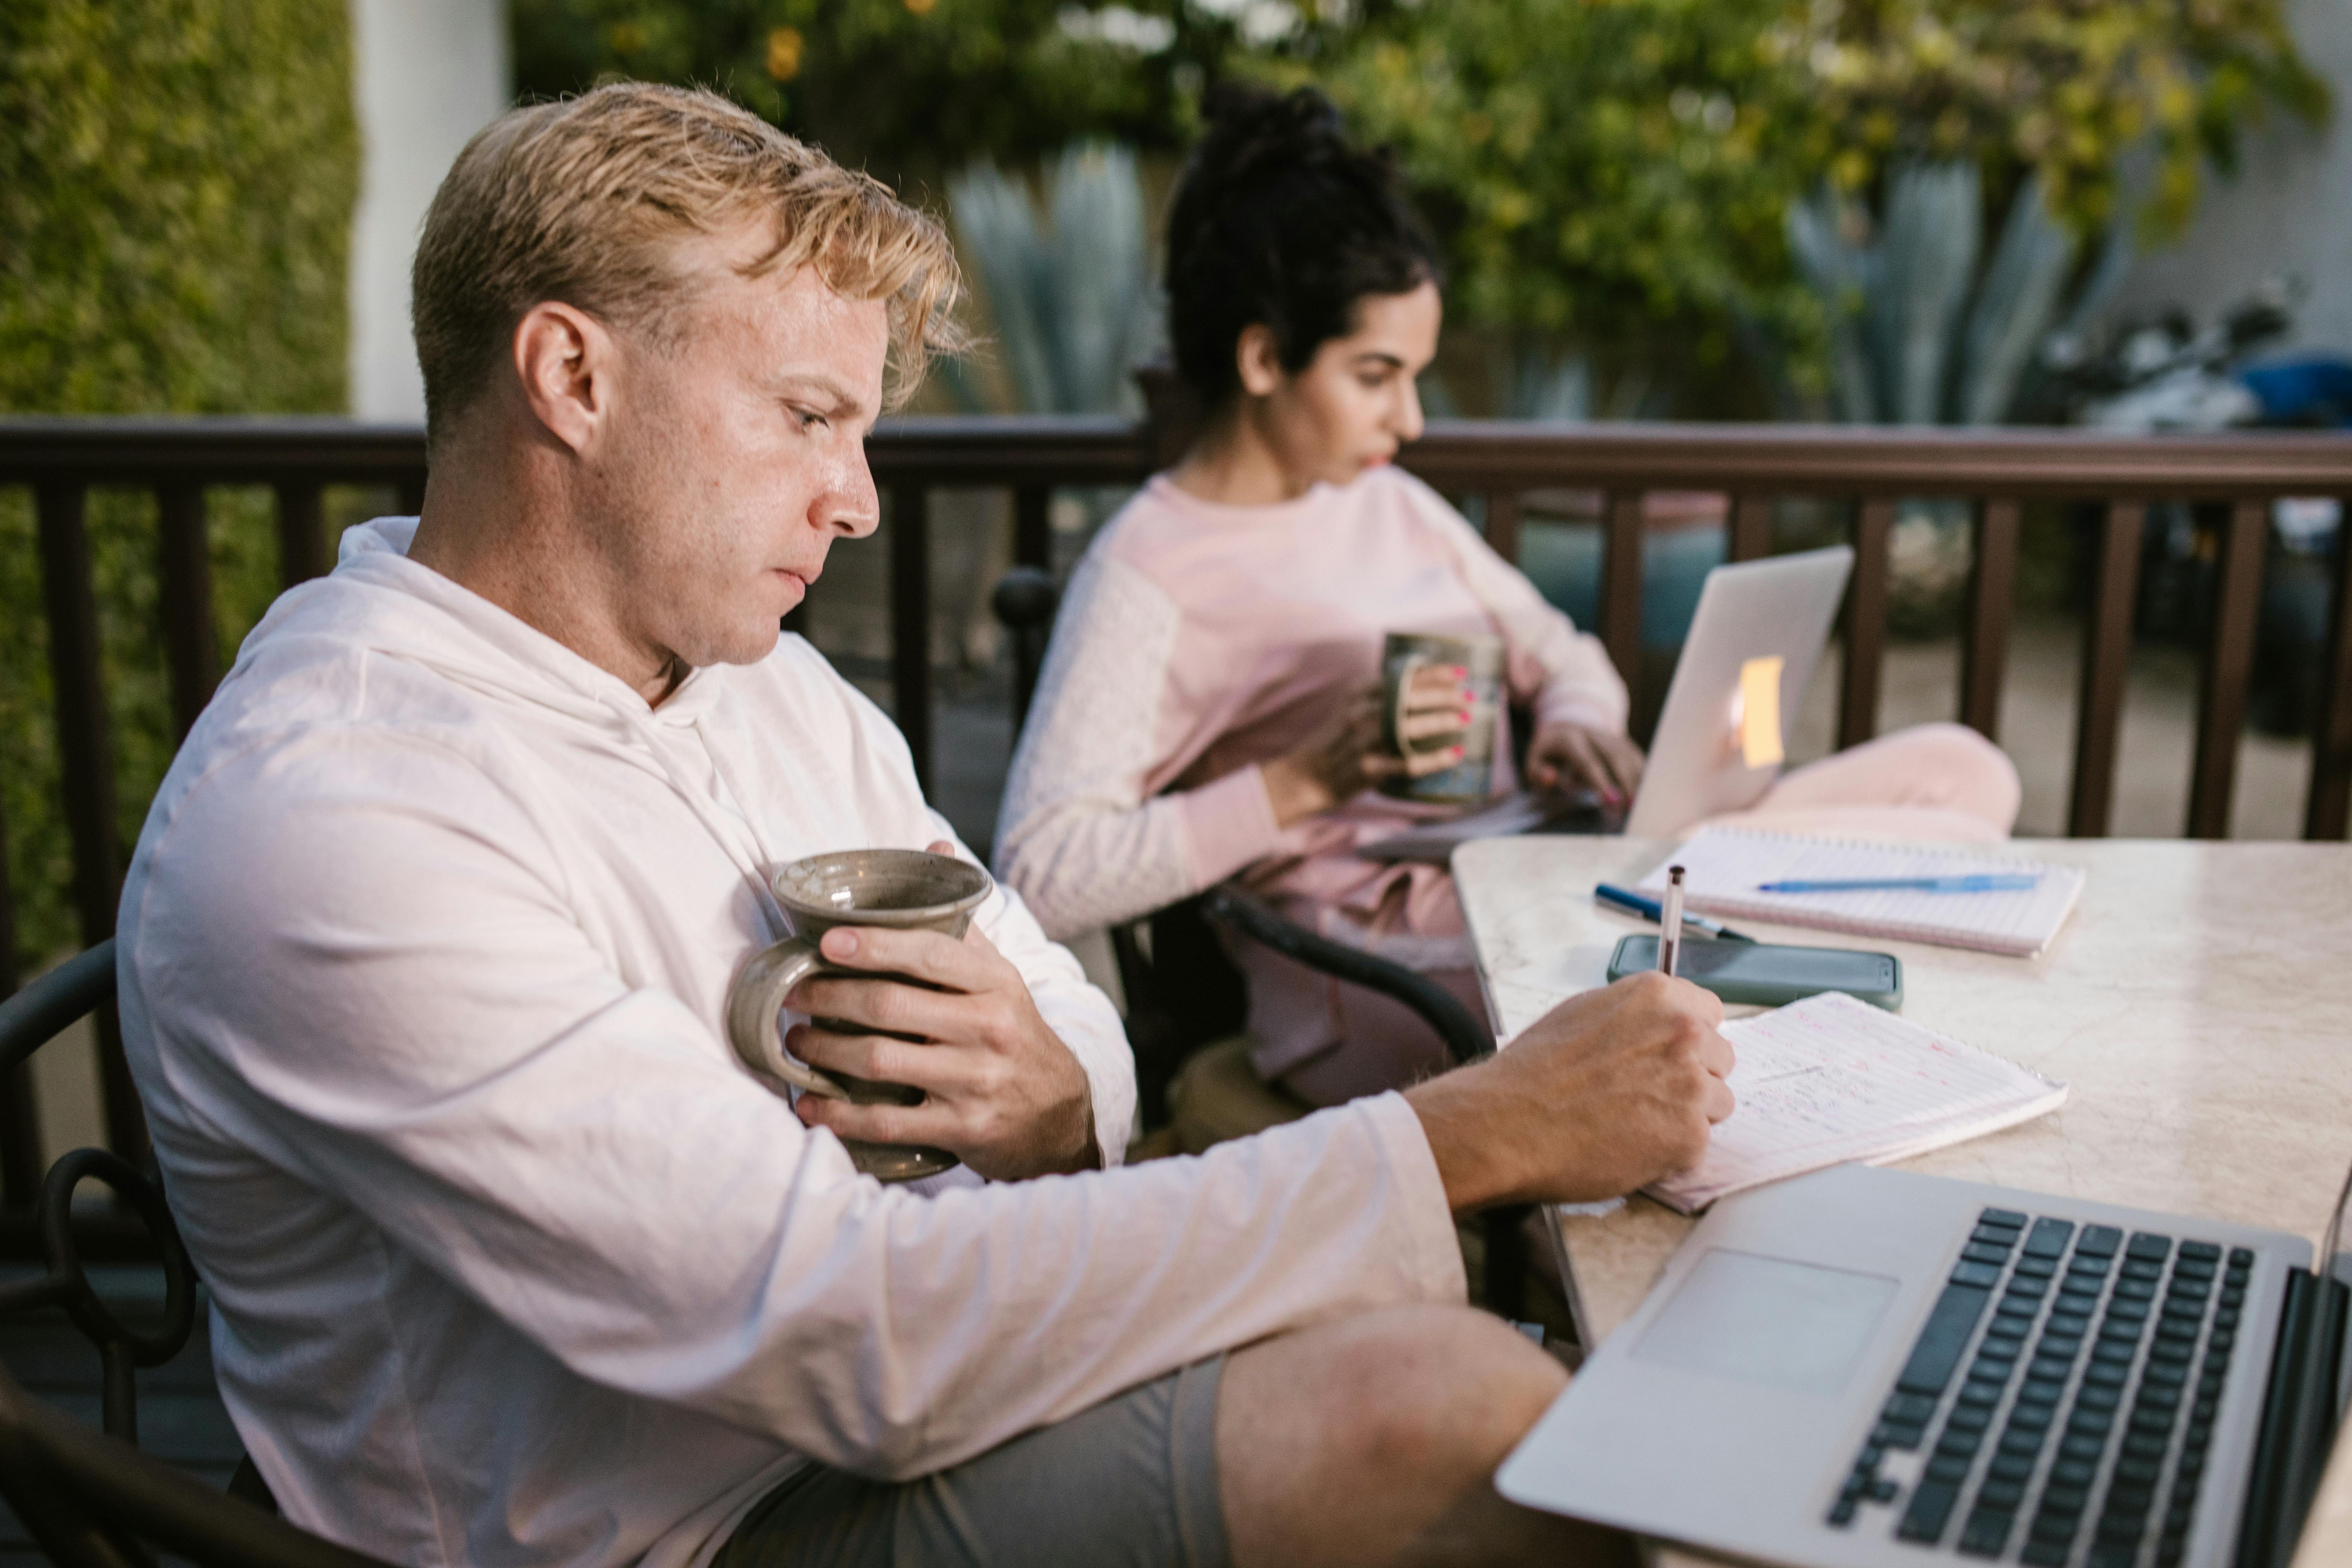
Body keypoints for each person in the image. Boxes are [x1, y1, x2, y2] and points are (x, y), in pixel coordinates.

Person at [116, 83, 1737, 1568]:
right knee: (1458, 1415)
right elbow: (851, 1327)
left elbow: (1080, 1036)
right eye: (810, 416)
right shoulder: (336, 817)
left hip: (939, 1361)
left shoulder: (768, 690)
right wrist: (1482, 1130)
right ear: (571, 378)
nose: (860, 497)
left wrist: (1044, 1105)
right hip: (696, 1522)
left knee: (1526, 1373)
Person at [994, 87, 2020, 1107]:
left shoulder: (1386, 499)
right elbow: (1042, 871)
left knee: (1962, 779)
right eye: (1376, 375)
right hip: (1392, 958)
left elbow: (1555, 646)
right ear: (1264, 357)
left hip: (1555, 864)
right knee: (1925, 884)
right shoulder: (1150, 570)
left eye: (1418, 376)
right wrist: (1304, 780)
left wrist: (1573, 722)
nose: (1413, 418)